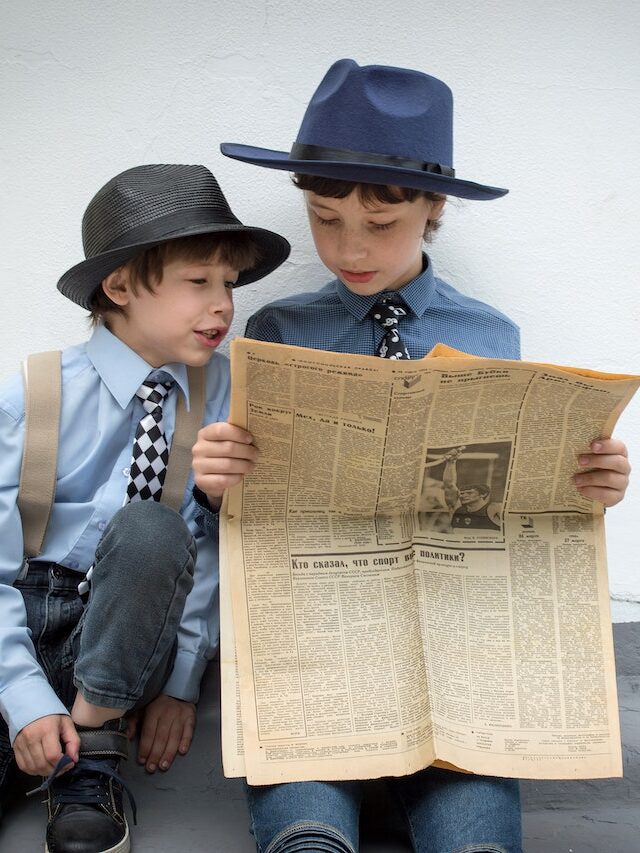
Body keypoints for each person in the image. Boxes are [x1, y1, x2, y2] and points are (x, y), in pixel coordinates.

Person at [193, 59, 631, 853]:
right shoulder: (277, 333)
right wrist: (219, 485)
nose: (347, 247)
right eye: (324, 219)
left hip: (457, 674)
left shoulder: (492, 335)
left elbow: (508, 514)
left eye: (380, 225)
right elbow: (254, 517)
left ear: (433, 207)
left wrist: (586, 489)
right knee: (306, 834)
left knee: (476, 840)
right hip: (317, 664)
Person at [0, 163, 289, 853]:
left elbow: (212, 547)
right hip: (28, 621)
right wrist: (25, 699)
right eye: (199, 281)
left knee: (154, 525)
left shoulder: (229, 390)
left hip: (137, 627)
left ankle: (91, 758)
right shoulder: (31, 393)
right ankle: (45, 738)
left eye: (229, 283)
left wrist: (185, 680)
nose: (223, 303)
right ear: (121, 285)